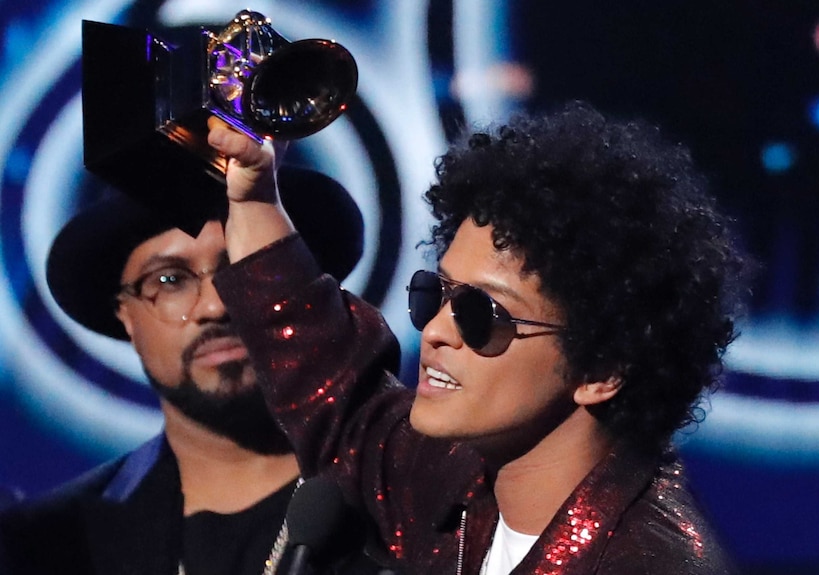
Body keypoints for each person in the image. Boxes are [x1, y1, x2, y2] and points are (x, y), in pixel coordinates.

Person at [209, 101, 745, 574]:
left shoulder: (649, 564)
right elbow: (333, 389)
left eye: (480, 313)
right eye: (435, 294)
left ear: (602, 369)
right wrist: (256, 198)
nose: (437, 330)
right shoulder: (460, 488)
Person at [0, 166, 379, 575]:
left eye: (242, 267)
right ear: (125, 315)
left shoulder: (414, 494)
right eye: (170, 279)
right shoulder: (49, 545)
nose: (216, 306)